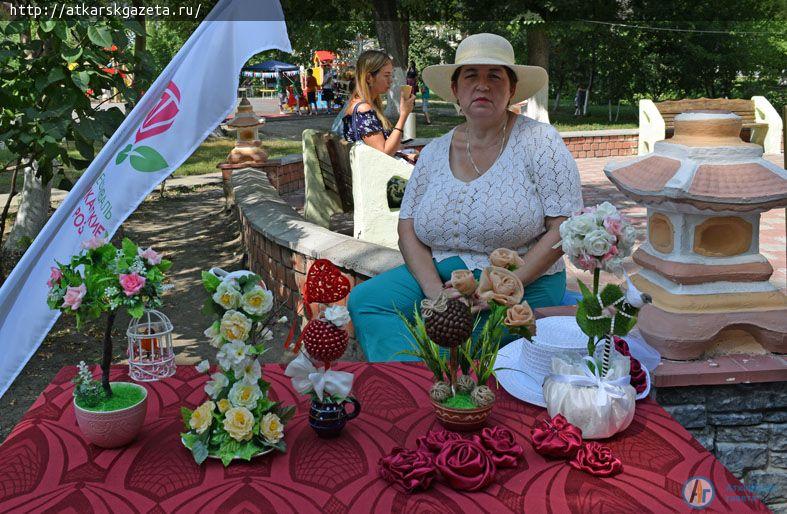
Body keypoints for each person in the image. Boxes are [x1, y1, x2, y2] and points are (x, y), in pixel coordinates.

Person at [348, 33, 583, 362]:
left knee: (460, 340)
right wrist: (435, 296)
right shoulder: (434, 152)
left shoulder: (540, 142)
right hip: (444, 275)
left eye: (495, 76)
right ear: (456, 90)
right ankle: (415, 386)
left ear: (511, 89)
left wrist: (504, 285)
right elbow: (408, 228)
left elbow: (565, 225)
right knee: (367, 302)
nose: (483, 86)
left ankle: (441, 388)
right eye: (471, 75)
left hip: (523, 280)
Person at [341, 50, 415, 159]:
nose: (391, 81)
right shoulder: (363, 110)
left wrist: (405, 154)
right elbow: (383, 154)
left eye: (391, 75)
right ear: (369, 78)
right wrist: (403, 115)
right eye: (386, 75)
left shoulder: (363, 105)